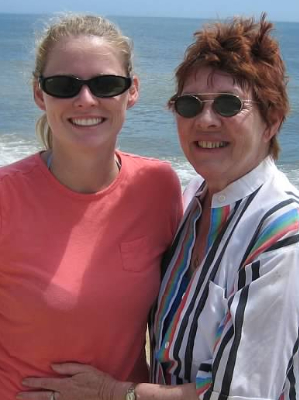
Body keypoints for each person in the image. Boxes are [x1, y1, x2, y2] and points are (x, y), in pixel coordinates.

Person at [19, 12, 299, 400]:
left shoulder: (283, 237)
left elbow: (243, 394)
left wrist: (115, 393)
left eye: (229, 105)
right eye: (190, 105)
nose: (206, 120)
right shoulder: (188, 197)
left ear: (272, 121)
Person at [0, 13, 183, 400]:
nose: (85, 100)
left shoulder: (159, 186)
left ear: (132, 91)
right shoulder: (6, 197)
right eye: (64, 85)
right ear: (39, 93)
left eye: (105, 84)